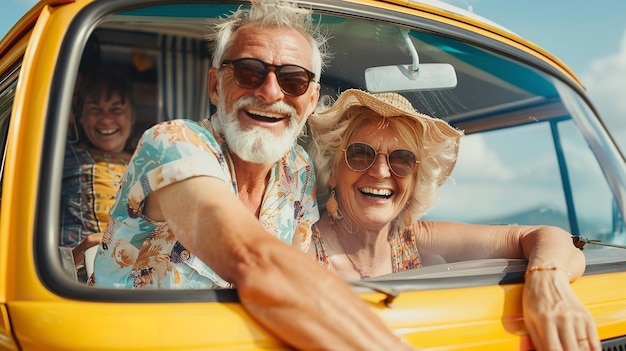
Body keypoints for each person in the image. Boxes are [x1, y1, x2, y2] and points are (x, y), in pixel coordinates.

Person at [90, 1, 413, 350]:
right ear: (215, 86)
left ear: (311, 98)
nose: (271, 92)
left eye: (294, 80)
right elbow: (253, 259)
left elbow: (296, 286)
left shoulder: (299, 169)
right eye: (249, 72)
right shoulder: (172, 142)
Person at [307, 88, 601, 351]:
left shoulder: (416, 239)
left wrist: (547, 282)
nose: (382, 172)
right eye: (360, 154)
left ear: (414, 180)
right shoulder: (300, 246)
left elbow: (547, 236)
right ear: (333, 170)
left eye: (401, 159)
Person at [60, 66, 135, 280]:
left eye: (116, 108)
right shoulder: (64, 155)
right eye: (95, 109)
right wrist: (72, 257)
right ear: (79, 118)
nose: (106, 119)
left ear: (132, 117)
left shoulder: (150, 161)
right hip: (77, 278)